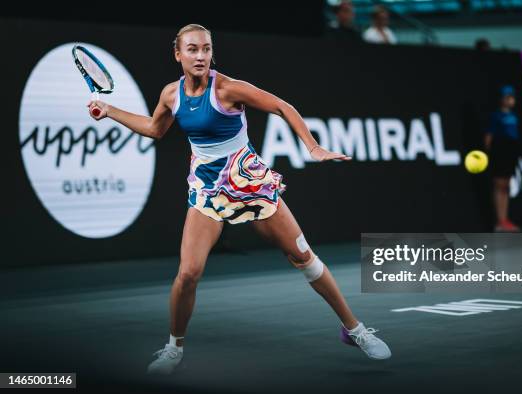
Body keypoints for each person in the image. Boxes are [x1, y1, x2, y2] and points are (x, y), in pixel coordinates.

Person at [87, 24, 391, 375]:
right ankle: (174, 348)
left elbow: (281, 106)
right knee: (188, 273)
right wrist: (109, 110)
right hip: (207, 188)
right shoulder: (171, 95)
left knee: (303, 257)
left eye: (205, 49)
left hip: (248, 181)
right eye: (192, 49)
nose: (200, 56)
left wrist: (312, 146)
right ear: (178, 54)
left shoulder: (229, 88)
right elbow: (156, 129)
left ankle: (354, 330)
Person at [484, 85, 521, 232]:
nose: (511, 100)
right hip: (499, 153)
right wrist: (489, 154)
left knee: (506, 186)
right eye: (508, 97)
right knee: (499, 186)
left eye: (512, 97)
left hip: (510, 154)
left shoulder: (514, 116)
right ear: (502, 99)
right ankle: (499, 221)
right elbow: (488, 137)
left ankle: (505, 220)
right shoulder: (496, 116)